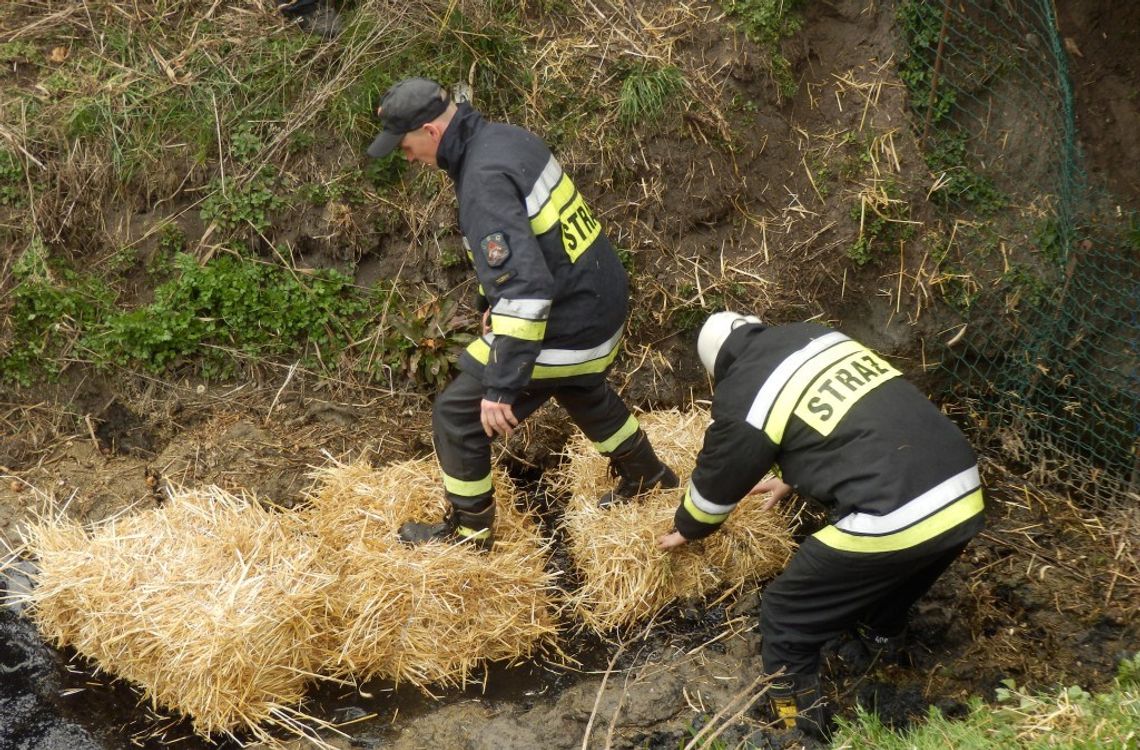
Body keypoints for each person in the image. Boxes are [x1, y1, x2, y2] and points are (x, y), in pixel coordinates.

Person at [367, 77, 677, 549]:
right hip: (601, 306)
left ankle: (469, 534)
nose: (405, 157)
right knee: (579, 384)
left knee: (457, 414)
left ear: (431, 132)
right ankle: (647, 474)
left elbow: (527, 289)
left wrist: (501, 385)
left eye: (404, 146)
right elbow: (536, 247)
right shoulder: (508, 139)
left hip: (571, 323)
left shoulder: (482, 179)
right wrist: (492, 304)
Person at [657, 312, 985, 741]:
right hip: (963, 492)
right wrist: (793, 475)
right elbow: (849, 418)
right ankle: (881, 635)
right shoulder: (816, 337)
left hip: (896, 512)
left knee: (786, 613)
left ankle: (799, 723)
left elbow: (721, 477)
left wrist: (688, 527)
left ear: (717, 368)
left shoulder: (744, 387)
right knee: (896, 574)